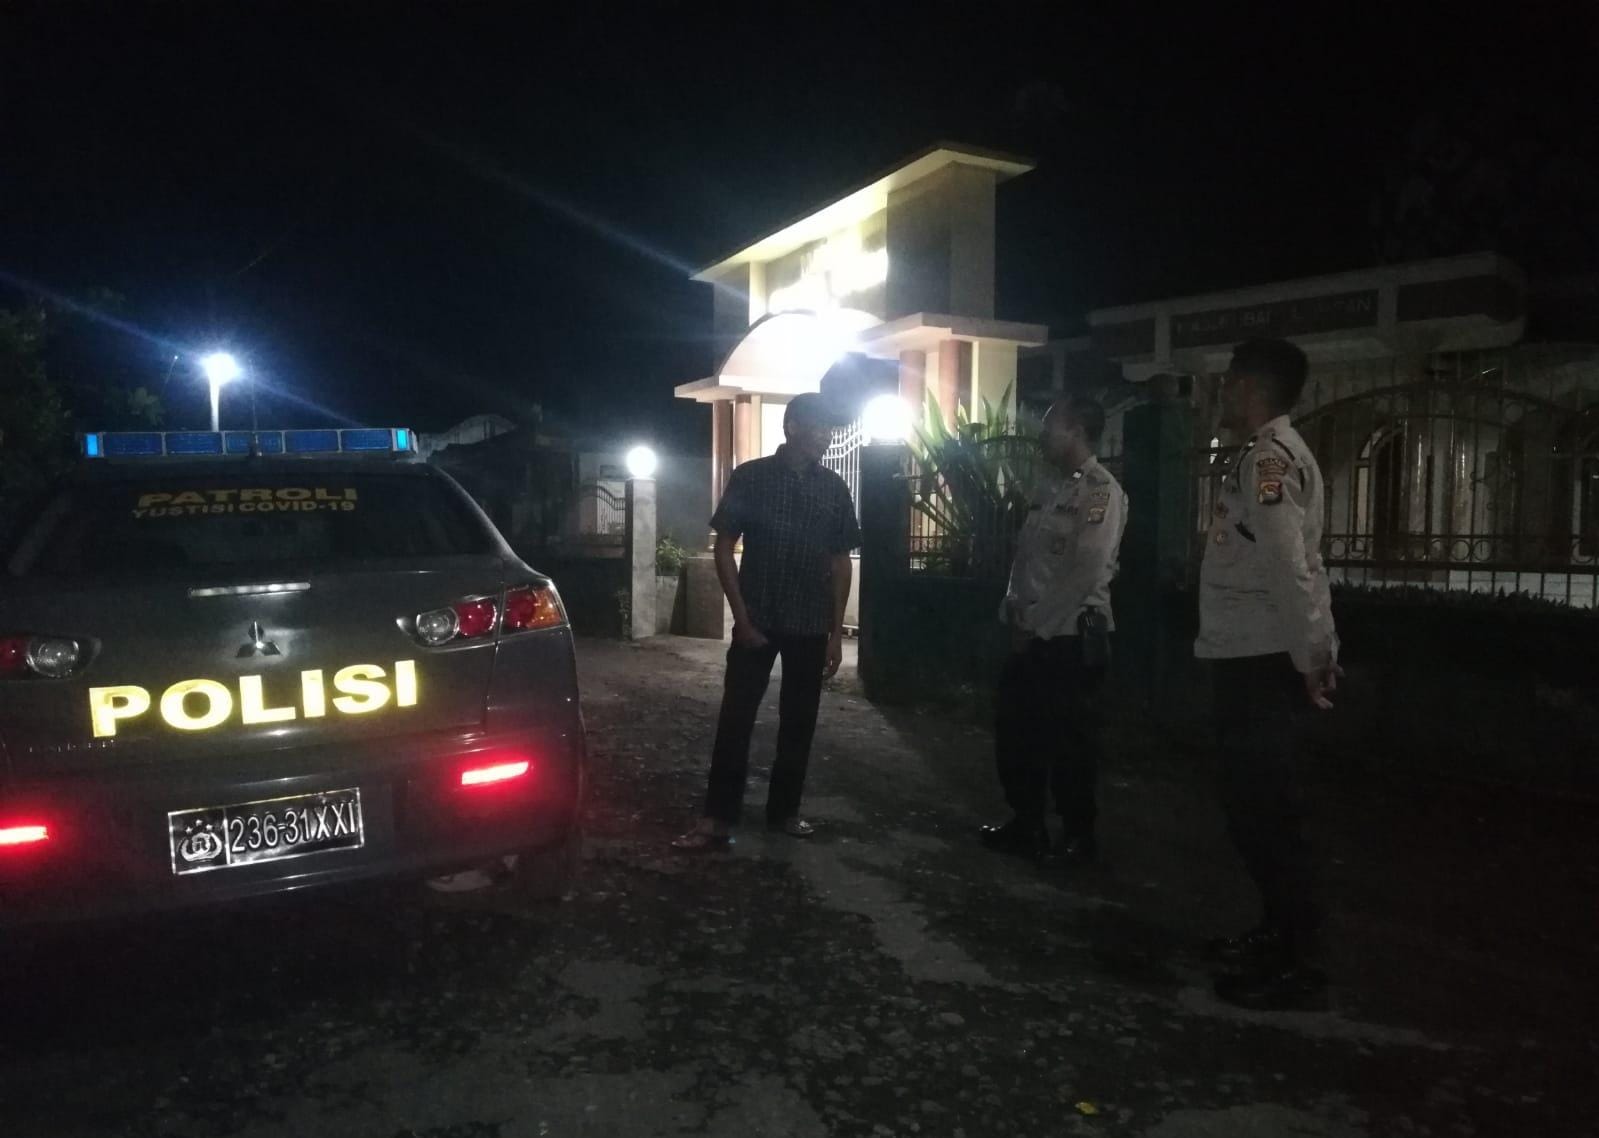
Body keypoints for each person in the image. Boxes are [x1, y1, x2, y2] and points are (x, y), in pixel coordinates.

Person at [1197, 337, 1342, 1011]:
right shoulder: (1259, 456)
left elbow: (1291, 567)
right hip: (1247, 656)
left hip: (1262, 662)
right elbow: (1301, 563)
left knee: (1269, 815)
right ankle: (1275, 933)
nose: (1221, 395)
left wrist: (1312, 657)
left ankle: (1299, 963)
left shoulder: (1269, 461)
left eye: (1228, 384)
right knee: (1250, 811)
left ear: (1250, 388)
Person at [673, 392, 860, 851]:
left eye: (830, 428)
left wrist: (835, 633)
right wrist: (741, 618)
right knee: (736, 719)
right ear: (792, 426)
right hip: (756, 620)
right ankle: (718, 817)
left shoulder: (834, 488)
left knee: (800, 722)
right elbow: (724, 546)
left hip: (810, 623)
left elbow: (841, 562)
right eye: (819, 427)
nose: (827, 436)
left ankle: (785, 812)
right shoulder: (752, 477)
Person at [980, 395, 1127, 864]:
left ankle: (1078, 835)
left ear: (1077, 431)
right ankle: (1027, 823)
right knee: (1016, 732)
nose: (1042, 436)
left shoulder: (1101, 492)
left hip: (1069, 637)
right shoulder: (1050, 489)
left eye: (1051, 427)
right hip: (1031, 634)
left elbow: (1086, 571)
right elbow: (1025, 556)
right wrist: (1012, 605)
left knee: (1070, 742)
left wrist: (1036, 623)